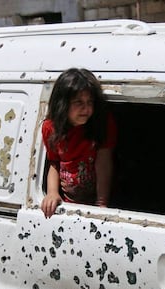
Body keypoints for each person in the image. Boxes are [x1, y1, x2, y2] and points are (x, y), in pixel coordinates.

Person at [41, 68, 117, 218]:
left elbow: (103, 162)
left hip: (95, 198)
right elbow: (54, 162)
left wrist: (101, 203)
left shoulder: (102, 124)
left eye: (90, 102)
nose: (86, 108)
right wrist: (52, 193)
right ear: (62, 104)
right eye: (78, 102)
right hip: (68, 203)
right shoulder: (51, 128)